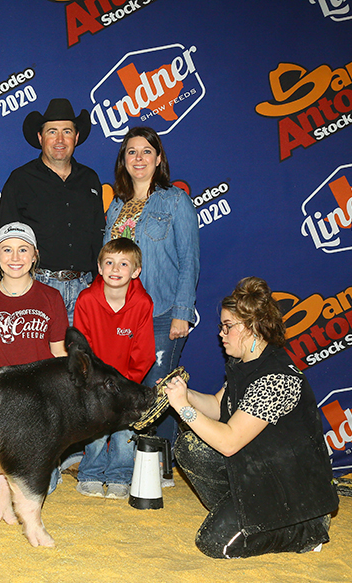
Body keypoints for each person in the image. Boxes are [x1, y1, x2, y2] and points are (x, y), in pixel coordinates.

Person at [164, 277, 338, 559]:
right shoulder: (244, 364)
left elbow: (230, 442)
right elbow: (219, 406)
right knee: (189, 447)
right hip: (264, 473)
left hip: (294, 492)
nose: (221, 333)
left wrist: (184, 409)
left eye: (228, 326)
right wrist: (180, 392)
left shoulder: (276, 378)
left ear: (252, 327)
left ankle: (306, 530)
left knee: (213, 543)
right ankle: (241, 516)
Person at [104, 126, 200, 464]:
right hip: (120, 315)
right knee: (126, 390)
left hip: (161, 313)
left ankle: (162, 465)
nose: (139, 158)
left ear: (158, 159)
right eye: (132, 152)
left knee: (159, 392)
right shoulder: (116, 206)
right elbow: (107, 261)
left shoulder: (176, 201)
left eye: (146, 151)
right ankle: (131, 464)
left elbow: (190, 259)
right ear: (123, 160)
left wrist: (182, 312)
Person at [0, 221, 68, 496]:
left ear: (34, 255)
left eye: (23, 250)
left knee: (41, 487)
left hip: (37, 403)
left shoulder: (51, 297)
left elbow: (59, 354)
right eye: (7, 250)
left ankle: (53, 459)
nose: (15, 258)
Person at [0, 98, 105, 325]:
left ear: (76, 137)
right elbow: (5, 239)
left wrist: (98, 285)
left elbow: (98, 235)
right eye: (52, 131)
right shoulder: (20, 180)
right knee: (38, 359)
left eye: (67, 131)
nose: (59, 139)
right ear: (40, 137)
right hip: (37, 287)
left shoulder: (90, 179)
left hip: (85, 289)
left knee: (82, 359)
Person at [72, 238, 155, 500]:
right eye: (109, 262)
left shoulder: (143, 303)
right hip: (95, 383)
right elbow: (80, 347)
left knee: (124, 431)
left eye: (123, 264)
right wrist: (94, 384)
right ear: (99, 267)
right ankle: (91, 473)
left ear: (136, 271)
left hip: (127, 382)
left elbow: (144, 353)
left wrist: (124, 388)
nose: (115, 269)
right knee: (95, 430)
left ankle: (120, 475)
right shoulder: (86, 300)